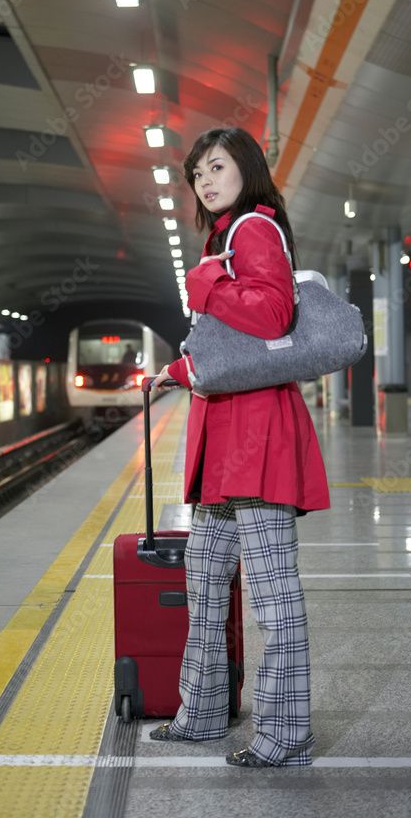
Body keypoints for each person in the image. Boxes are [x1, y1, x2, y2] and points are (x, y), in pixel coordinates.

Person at [152, 127, 329, 768]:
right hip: (224, 442)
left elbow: (273, 315)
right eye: (197, 173)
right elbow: (228, 350)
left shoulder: (255, 228)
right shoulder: (223, 238)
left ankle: (285, 735)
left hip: (257, 439)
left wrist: (205, 288)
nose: (204, 180)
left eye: (216, 167)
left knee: (273, 592)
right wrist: (174, 372)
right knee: (205, 584)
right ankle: (199, 714)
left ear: (246, 169)